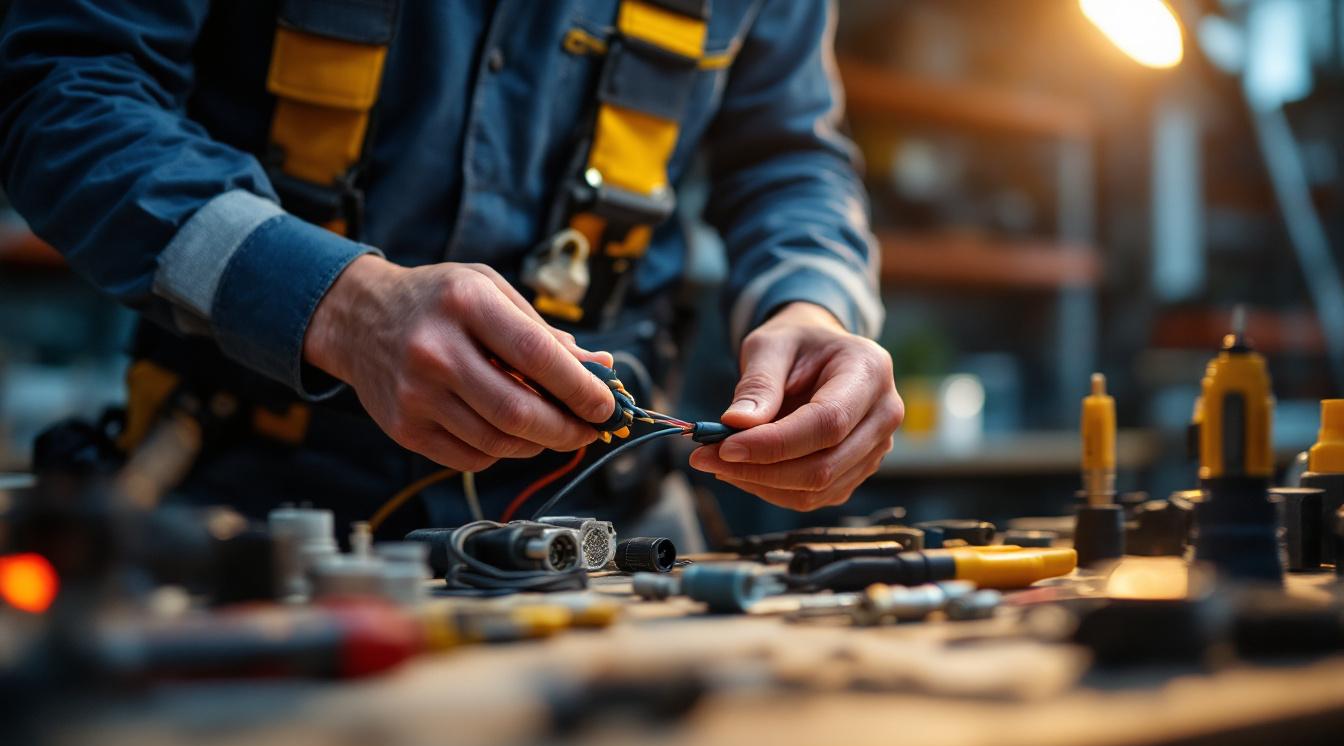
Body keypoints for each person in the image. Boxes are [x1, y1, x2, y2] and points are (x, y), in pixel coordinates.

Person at [0, 0, 902, 536]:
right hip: (236, 517)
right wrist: (334, 307)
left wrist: (815, 312)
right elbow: (64, 90)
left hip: (614, 539)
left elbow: (791, 158)